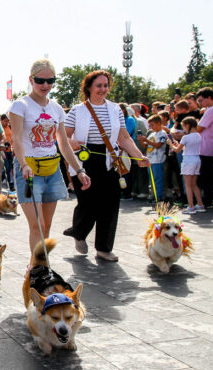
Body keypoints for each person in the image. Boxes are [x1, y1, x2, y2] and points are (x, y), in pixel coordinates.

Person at [63, 70, 150, 261]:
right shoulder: (77, 110)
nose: (103, 89)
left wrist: (139, 156)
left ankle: (104, 248)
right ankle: (79, 232)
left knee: (110, 205)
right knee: (88, 204)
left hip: (110, 159)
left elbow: (124, 137)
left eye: (105, 85)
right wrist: (72, 142)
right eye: (98, 85)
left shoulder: (115, 109)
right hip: (84, 159)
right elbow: (63, 137)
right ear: (89, 87)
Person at [9, 59, 92, 253]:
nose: (45, 85)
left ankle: (40, 264)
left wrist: (79, 170)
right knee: (37, 225)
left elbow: (63, 143)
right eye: (40, 80)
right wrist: (23, 164)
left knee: (46, 226)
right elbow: (16, 139)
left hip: (51, 169)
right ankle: (37, 267)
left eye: (50, 80)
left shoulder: (56, 108)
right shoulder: (20, 105)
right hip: (28, 170)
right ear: (31, 79)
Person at [172, 117, 205, 213]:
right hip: (196, 159)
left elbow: (177, 150)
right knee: (194, 184)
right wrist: (177, 145)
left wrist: (170, 144)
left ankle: (191, 206)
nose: (183, 129)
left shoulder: (185, 137)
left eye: (183, 126)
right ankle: (200, 205)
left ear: (188, 125)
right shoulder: (198, 135)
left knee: (188, 185)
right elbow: (186, 148)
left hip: (188, 160)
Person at [195, 87, 213, 206]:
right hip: (209, 145)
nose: (200, 103)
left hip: (207, 146)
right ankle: (207, 198)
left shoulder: (211, 110)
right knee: (207, 174)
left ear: (209, 98)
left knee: (205, 175)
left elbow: (199, 128)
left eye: (201, 100)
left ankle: (206, 199)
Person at [0, 114, 15, 191]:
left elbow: (12, 138)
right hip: (3, 151)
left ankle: (1, 179)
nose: (7, 122)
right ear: (1, 120)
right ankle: (11, 186)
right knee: (7, 168)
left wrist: (13, 147)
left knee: (11, 167)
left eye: (8, 121)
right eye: (5, 121)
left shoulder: (10, 127)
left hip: (10, 150)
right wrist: (1, 150)